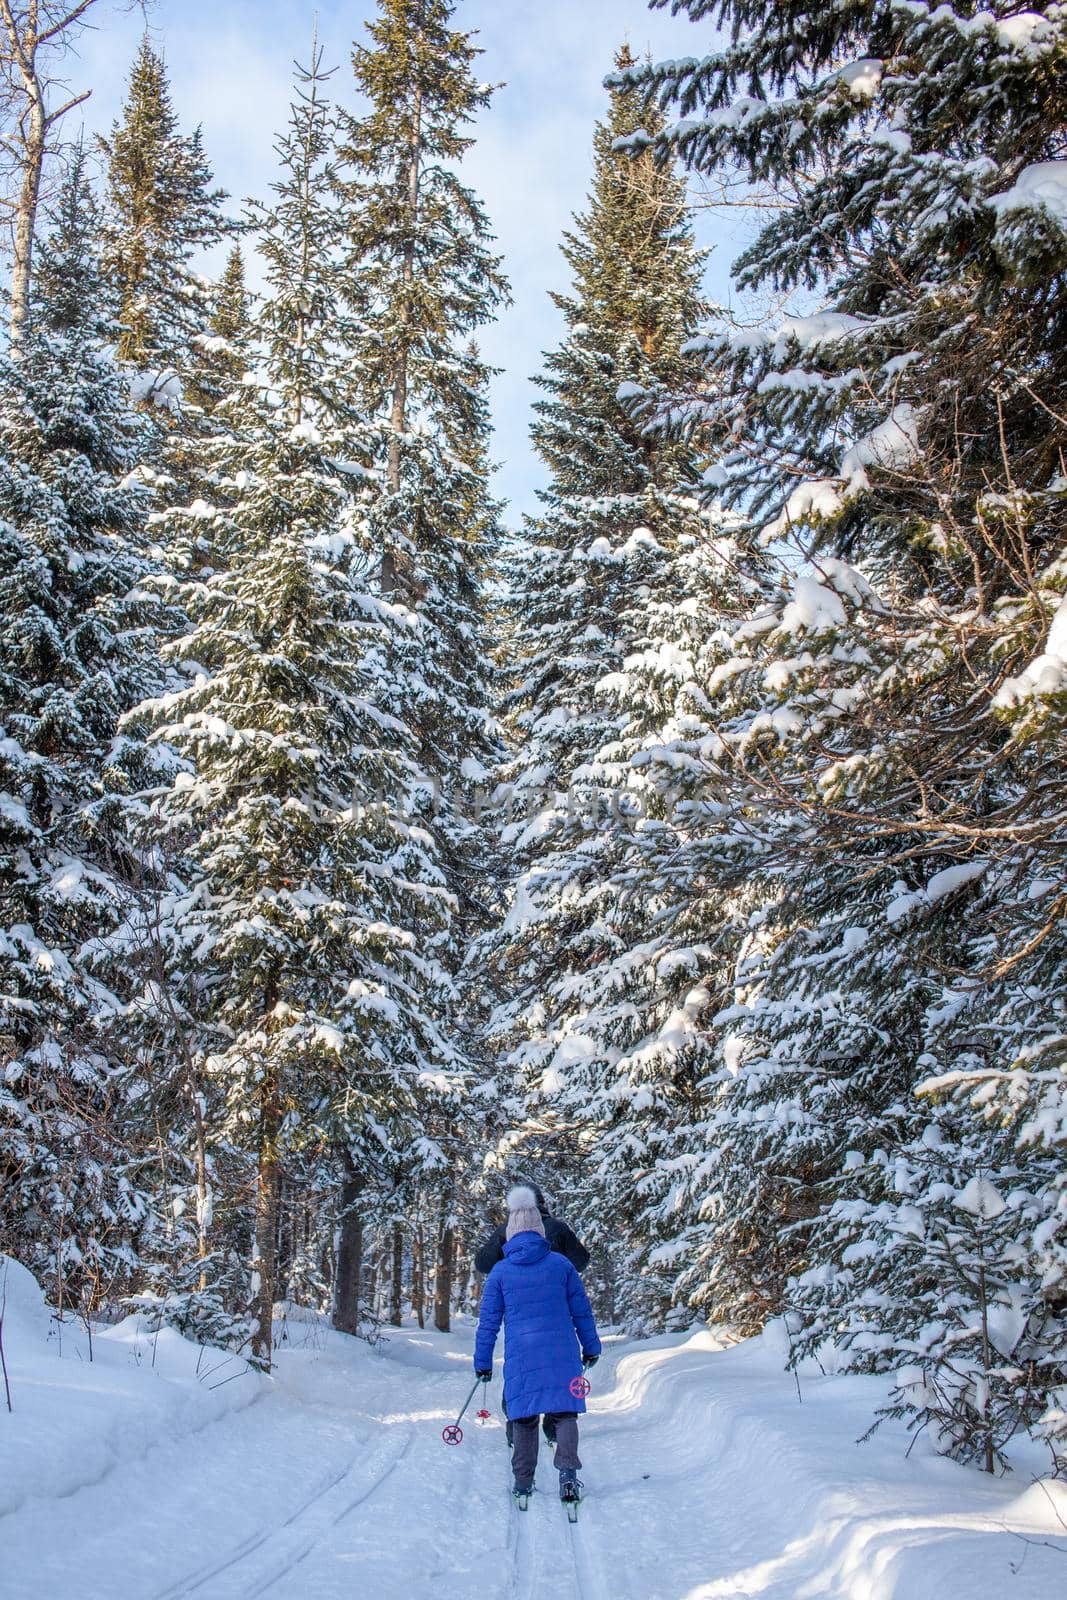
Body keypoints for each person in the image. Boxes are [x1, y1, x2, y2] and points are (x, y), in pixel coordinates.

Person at [474, 1185, 601, 1505]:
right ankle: (569, 1475)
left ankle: (522, 1482)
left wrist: (483, 1362)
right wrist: (591, 1346)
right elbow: (581, 1310)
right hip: (563, 1352)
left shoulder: (500, 1272)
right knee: (566, 1413)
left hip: (522, 1356)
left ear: (511, 1232)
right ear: (540, 1229)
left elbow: (488, 1323)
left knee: (524, 1417)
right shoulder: (562, 1266)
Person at [474, 1180, 590, 1275]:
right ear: (541, 1202)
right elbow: (581, 1262)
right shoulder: (558, 1228)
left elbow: (483, 1265)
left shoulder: (504, 1230)